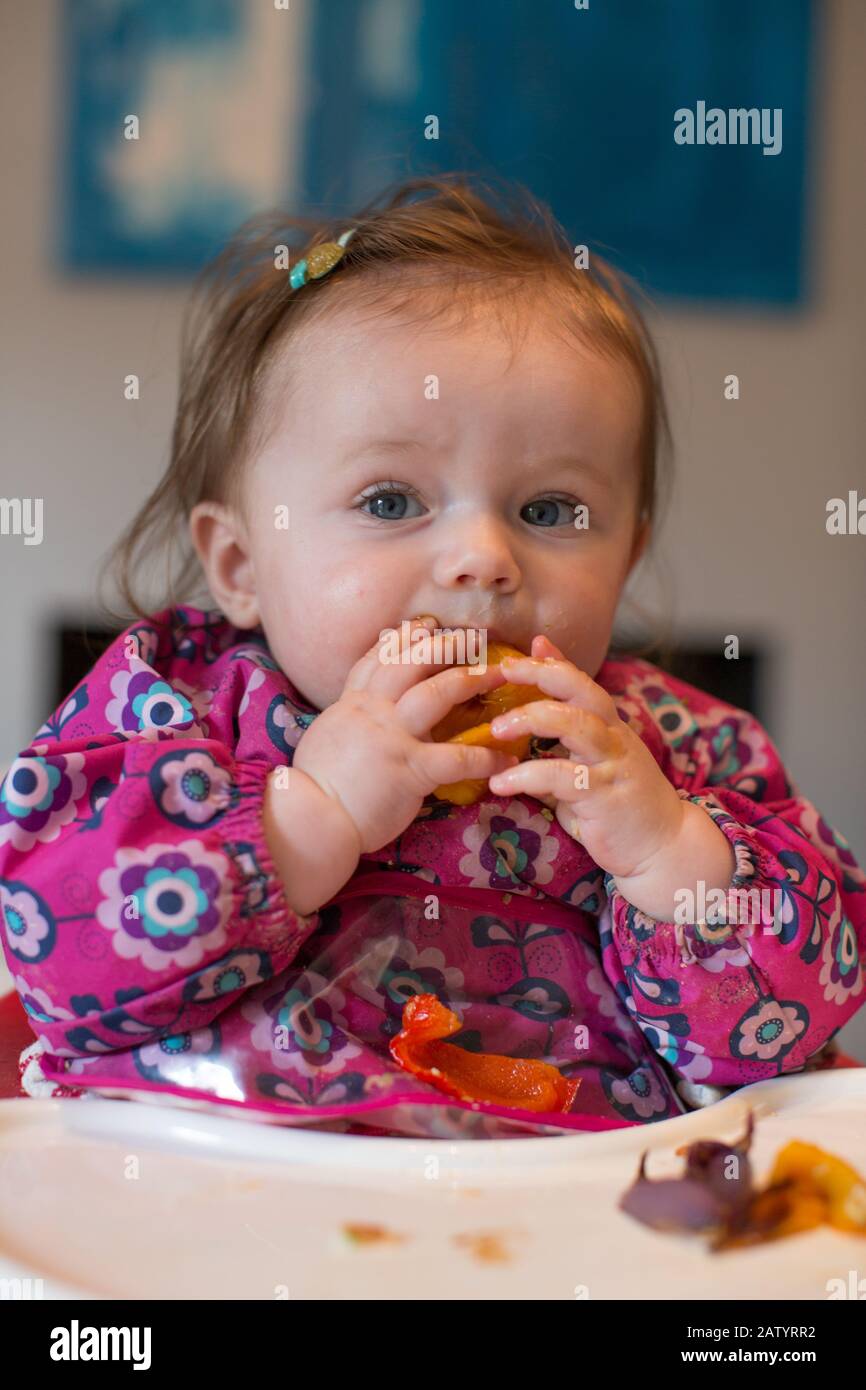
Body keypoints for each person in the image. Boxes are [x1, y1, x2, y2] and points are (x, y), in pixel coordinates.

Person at [1, 175, 863, 1139]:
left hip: (571, 1219)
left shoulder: (675, 750)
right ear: (240, 564)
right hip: (228, 1195)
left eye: (549, 511)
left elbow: (783, 1036)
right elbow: (62, 963)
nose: (484, 560)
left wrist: (668, 850)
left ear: (627, 555)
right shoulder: (180, 713)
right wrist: (307, 821)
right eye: (390, 501)